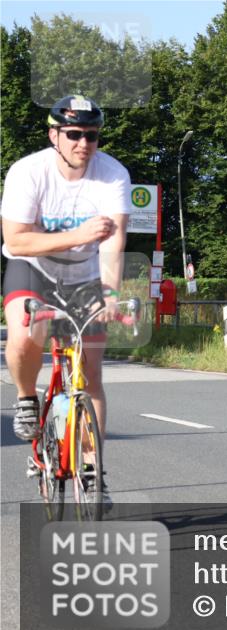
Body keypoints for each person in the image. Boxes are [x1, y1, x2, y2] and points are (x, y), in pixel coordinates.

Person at [2, 94, 130, 501]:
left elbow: (114, 242)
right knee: (24, 330)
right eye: (73, 134)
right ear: (54, 135)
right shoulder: (28, 172)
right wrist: (79, 235)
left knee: (90, 373)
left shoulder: (112, 175)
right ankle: (26, 399)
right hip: (33, 268)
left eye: (91, 135)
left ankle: (92, 471)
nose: (83, 143)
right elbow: (16, 240)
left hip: (84, 275)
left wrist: (110, 293)